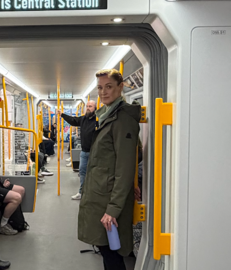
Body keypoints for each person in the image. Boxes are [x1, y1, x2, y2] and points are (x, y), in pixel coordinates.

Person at [78, 69, 141, 270]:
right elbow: (133, 153)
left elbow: (125, 163)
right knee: (107, 251)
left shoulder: (122, 119)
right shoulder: (107, 115)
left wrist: (113, 209)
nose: (103, 92)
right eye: (100, 88)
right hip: (100, 194)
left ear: (120, 87)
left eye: (109, 87)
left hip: (108, 200)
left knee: (111, 254)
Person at [57, 100, 98, 200]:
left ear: (95, 109)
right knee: (82, 172)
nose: (88, 108)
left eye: (90, 106)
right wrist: (62, 114)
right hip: (84, 152)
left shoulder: (98, 120)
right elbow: (73, 120)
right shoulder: (83, 119)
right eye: (87, 106)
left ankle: (94, 194)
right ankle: (82, 192)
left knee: (95, 174)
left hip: (95, 153)